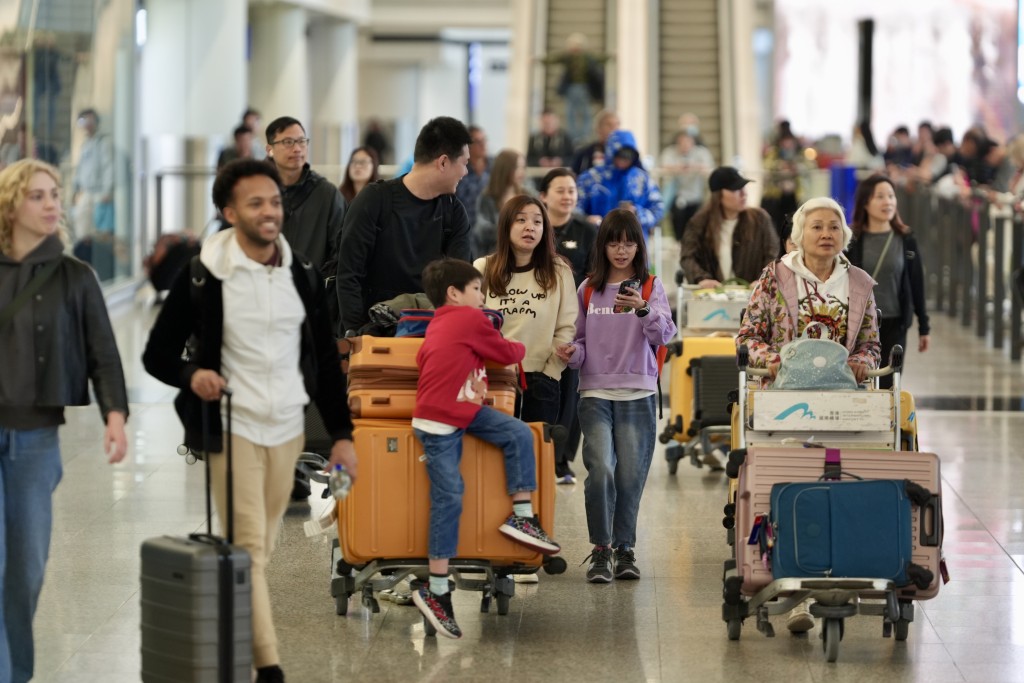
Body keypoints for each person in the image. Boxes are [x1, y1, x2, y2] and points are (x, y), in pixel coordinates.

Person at [142, 159, 356, 683]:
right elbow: (157, 354)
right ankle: (268, 666)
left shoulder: (300, 272)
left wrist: (343, 435)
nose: (269, 211)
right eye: (255, 203)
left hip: (287, 426)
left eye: (275, 201)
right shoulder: (202, 273)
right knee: (250, 548)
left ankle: (254, 656)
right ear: (228, 211)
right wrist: (193, 375)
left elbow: (326, 363)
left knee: (263, 543)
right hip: (232, 425)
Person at [0, 158, 129, 683]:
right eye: (38, 195)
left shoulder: (74, 276)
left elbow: (103, 350)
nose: (52, 203)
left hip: (34, 440)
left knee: (25, 571)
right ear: (11, 205)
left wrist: (114, 415)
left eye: (55, 194)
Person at [411, 257, 561, 639]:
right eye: (477, 289)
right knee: (451, 497)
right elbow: (509, 353)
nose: (482, 295)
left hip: (457, 411)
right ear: (454, 293)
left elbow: (443, 362)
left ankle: (522, 517)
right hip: (440, 424)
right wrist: (520, 341)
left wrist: (472, 385)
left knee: (515, 432)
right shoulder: (468, 319)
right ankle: (436, 591)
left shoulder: (439, 324)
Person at [555, 209, 677, 583]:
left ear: (638, 245)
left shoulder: (650, 286)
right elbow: (579, 342)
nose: (621, 250)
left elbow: (665, 335)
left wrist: (642, 309)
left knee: (629, 477)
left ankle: (625, 548)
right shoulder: (588, 289)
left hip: (638, 393)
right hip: (594, 393)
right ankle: (601, 548)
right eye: (613, 242)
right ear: (602, 246)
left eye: (628, 242)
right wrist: (572, 353)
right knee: (601, 470)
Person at [265, 116, 348, 500]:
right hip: (261, 308)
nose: (296, 148)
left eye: (301, 140)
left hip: (309, 311)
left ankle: (295, 468)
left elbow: (339, 253)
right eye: (287, 141)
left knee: (302, 389)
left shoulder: (326, 194)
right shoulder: (258, 189)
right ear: (270, 148)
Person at [336, 116, 472, 335]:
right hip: (372, 333)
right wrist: (356, 335)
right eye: (464, 163)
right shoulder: (374, 200)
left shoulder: (454, 213)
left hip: (431, 335)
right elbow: (349, 274)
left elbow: (457, 285)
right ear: (444, 162)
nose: (466, 172)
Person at [736, 196, 881, 384]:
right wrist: (770, 359)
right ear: (800, 235)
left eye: (834, 227)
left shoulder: (860, 283)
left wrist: (861, 361)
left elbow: (870, 345)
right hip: (783, 390)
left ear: (844, 235)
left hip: (842, 390)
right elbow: (747, 337)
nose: (827, 234)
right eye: (817, 227)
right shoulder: (774, 277)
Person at [474, 195, 578, 425]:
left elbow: (567, 327)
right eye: (521, 220)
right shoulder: (484, 268)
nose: (530, 226)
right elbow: (472, 322)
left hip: (542, 377)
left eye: (537, 221)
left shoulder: (559, 271)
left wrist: (551, 371)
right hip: (494, 376)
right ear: (506, 226)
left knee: (537, 455)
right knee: (493, 455)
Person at [539, 167, 597, 484]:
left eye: (572, 190)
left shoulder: (587, 231)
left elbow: (594, 275)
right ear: (543, 196)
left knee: (571, 391)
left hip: (574, 320)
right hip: (536, 318)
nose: (567, 196)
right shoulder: (534, 227)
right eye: (560, 190)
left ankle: (562, 460)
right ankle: (536, 451)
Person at [846, 174, 930, 387]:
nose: (888, 202)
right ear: (865, 203)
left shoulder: (905, 238)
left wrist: (924, 327)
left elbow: (916, 283)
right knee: (857, 383)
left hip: (895, 322)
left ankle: (888, 421)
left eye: (891, 196)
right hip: (859, 323)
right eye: (880, 196)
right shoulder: (852, 240)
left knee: (889, 384)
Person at [679, 166, 779, 287]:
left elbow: (773, 254)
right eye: (736, 189)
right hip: (712, 299)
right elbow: (687, 257)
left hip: (754, 300)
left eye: (744, 187)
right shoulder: (699, 223)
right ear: (718, 195)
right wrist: (701, 279)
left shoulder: (760, 219)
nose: (744, 193)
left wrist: (763, 280)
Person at [577, 129, 664, 242]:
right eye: (620, 154)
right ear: (610, 153)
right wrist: (586, 220)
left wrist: (637, 212)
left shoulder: (642, 179)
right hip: (597, 244)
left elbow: (658, 209)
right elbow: (574, 209)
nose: (624, 160)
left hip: (634, 246)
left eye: (629, 155)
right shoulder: (590, 178)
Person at [538, 33, 611, 145]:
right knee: (571, 112)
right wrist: (538, 60)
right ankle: (574, 136)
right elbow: (553, 59)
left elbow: (599, 58)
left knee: (585, 112)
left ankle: (584, 135)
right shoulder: (568, 57)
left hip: (584, 88)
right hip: (571, 89)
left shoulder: (587, 57)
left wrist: (612, 56)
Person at [658, 129, 714, 243]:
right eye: (681, 142)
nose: (685, 145)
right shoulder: (669, 152)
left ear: (693, 142)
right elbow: (662, 168)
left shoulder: (701, 153)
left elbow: (710, 169)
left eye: (688, 142)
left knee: (695, 227)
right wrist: (677, 168)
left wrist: (695, 167)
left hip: (695, 196)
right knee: (678, 227)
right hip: (676, 196)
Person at [473, 149, 529, 258]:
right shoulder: (487, 198)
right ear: (505, 169)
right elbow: (482, 231)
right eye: (518, 168)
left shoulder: (528, 195)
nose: (522, 172)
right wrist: (513, 232)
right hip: (495, 257)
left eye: (523, 168)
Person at [71, 108, 114, 240]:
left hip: (99, 192)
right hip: (86, 192)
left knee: (99, 230)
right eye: (83, 121)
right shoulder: (85, 144)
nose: (87, 124)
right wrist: (75, 189)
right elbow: (80, 169)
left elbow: (109, 166)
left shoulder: (103, 142)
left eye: (90, 120)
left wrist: (107, 191)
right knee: (81, 227)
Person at [455, 125, 490, 227]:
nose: (483, 145)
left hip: (491, 229)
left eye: (484, 140)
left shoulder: (494, 166)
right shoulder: (460, 169)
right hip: (466, 227)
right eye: (478, 142)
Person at [571, 109, 620, 176]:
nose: (614, 129)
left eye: (616, 125)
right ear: (598, 128)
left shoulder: (626, 154)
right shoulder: (584, 154)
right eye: (609, 125)